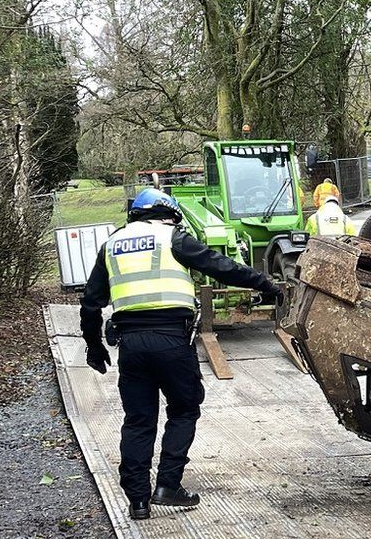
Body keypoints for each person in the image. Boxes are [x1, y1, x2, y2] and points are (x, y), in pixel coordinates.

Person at [80, 188, 283, 520]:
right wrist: (264, 284)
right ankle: (168, 486)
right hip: (173, 341)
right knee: (184, 410)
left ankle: (138, 501)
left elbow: (91, 301)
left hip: (131, 345)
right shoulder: (173, 237)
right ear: (170, 215)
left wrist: (94, 345)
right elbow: (222, 267)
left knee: (138, 420)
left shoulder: (112, 245)